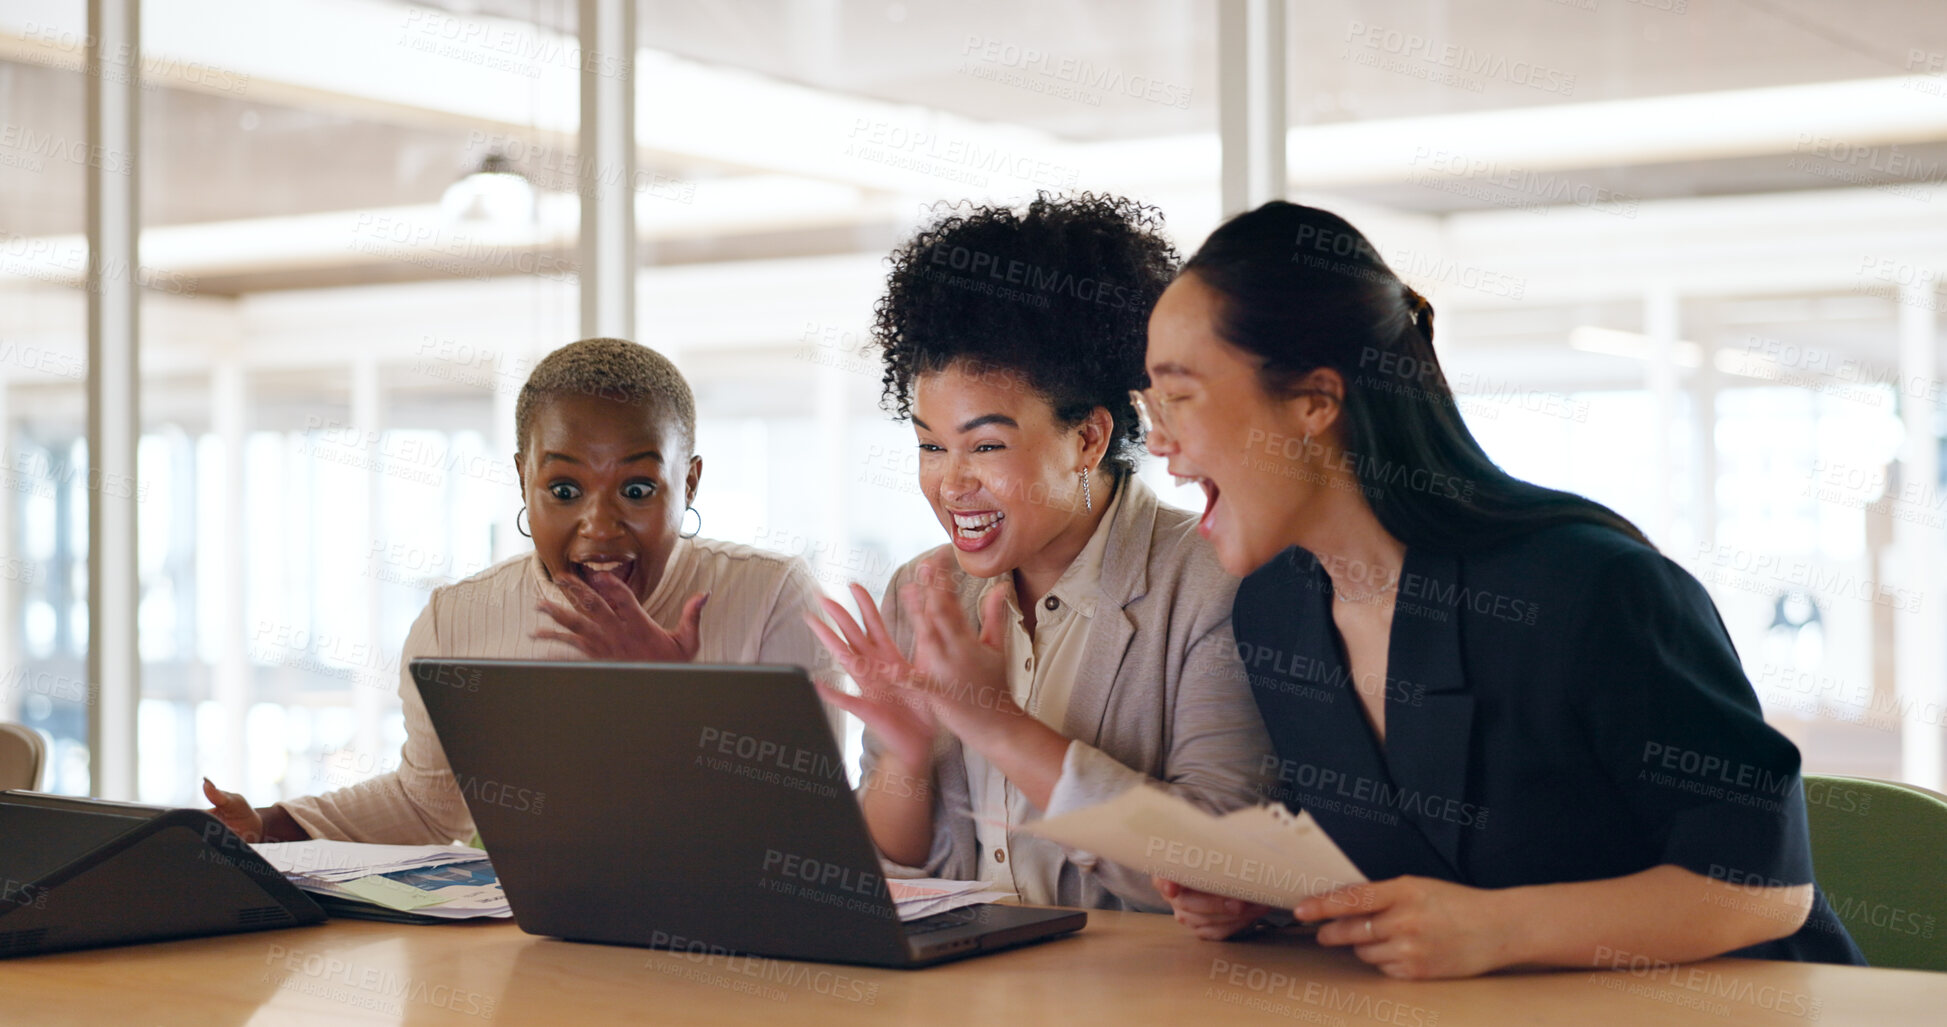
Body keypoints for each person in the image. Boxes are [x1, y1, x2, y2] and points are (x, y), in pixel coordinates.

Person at [1140, 201, 1865, 977]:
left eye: (1179, 396)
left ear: (1315, 400)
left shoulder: (1592, 590)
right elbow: (1425, 861)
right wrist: (1278, 896)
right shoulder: (1275, 609)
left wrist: (1498, 928)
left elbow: (1763, 888)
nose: (1157, 439)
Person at [807, 194, 1275, 911]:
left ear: (1088, 438)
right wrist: (906, 756)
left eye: (985, 445)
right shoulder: (927, 588)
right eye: (930, 445)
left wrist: (996, 723)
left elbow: (1223, 861)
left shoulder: (1215, 582)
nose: (949, 482)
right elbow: (896, 867)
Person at [203, 337, 837, 844]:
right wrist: (267, 825)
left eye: (637, 490)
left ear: (690, 483)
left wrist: (667, 694)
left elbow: (805, 834)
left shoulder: (772, 597)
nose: (599, 524)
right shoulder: (459, 620)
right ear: (523, 481)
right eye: (564, 491)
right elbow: (427, 808)